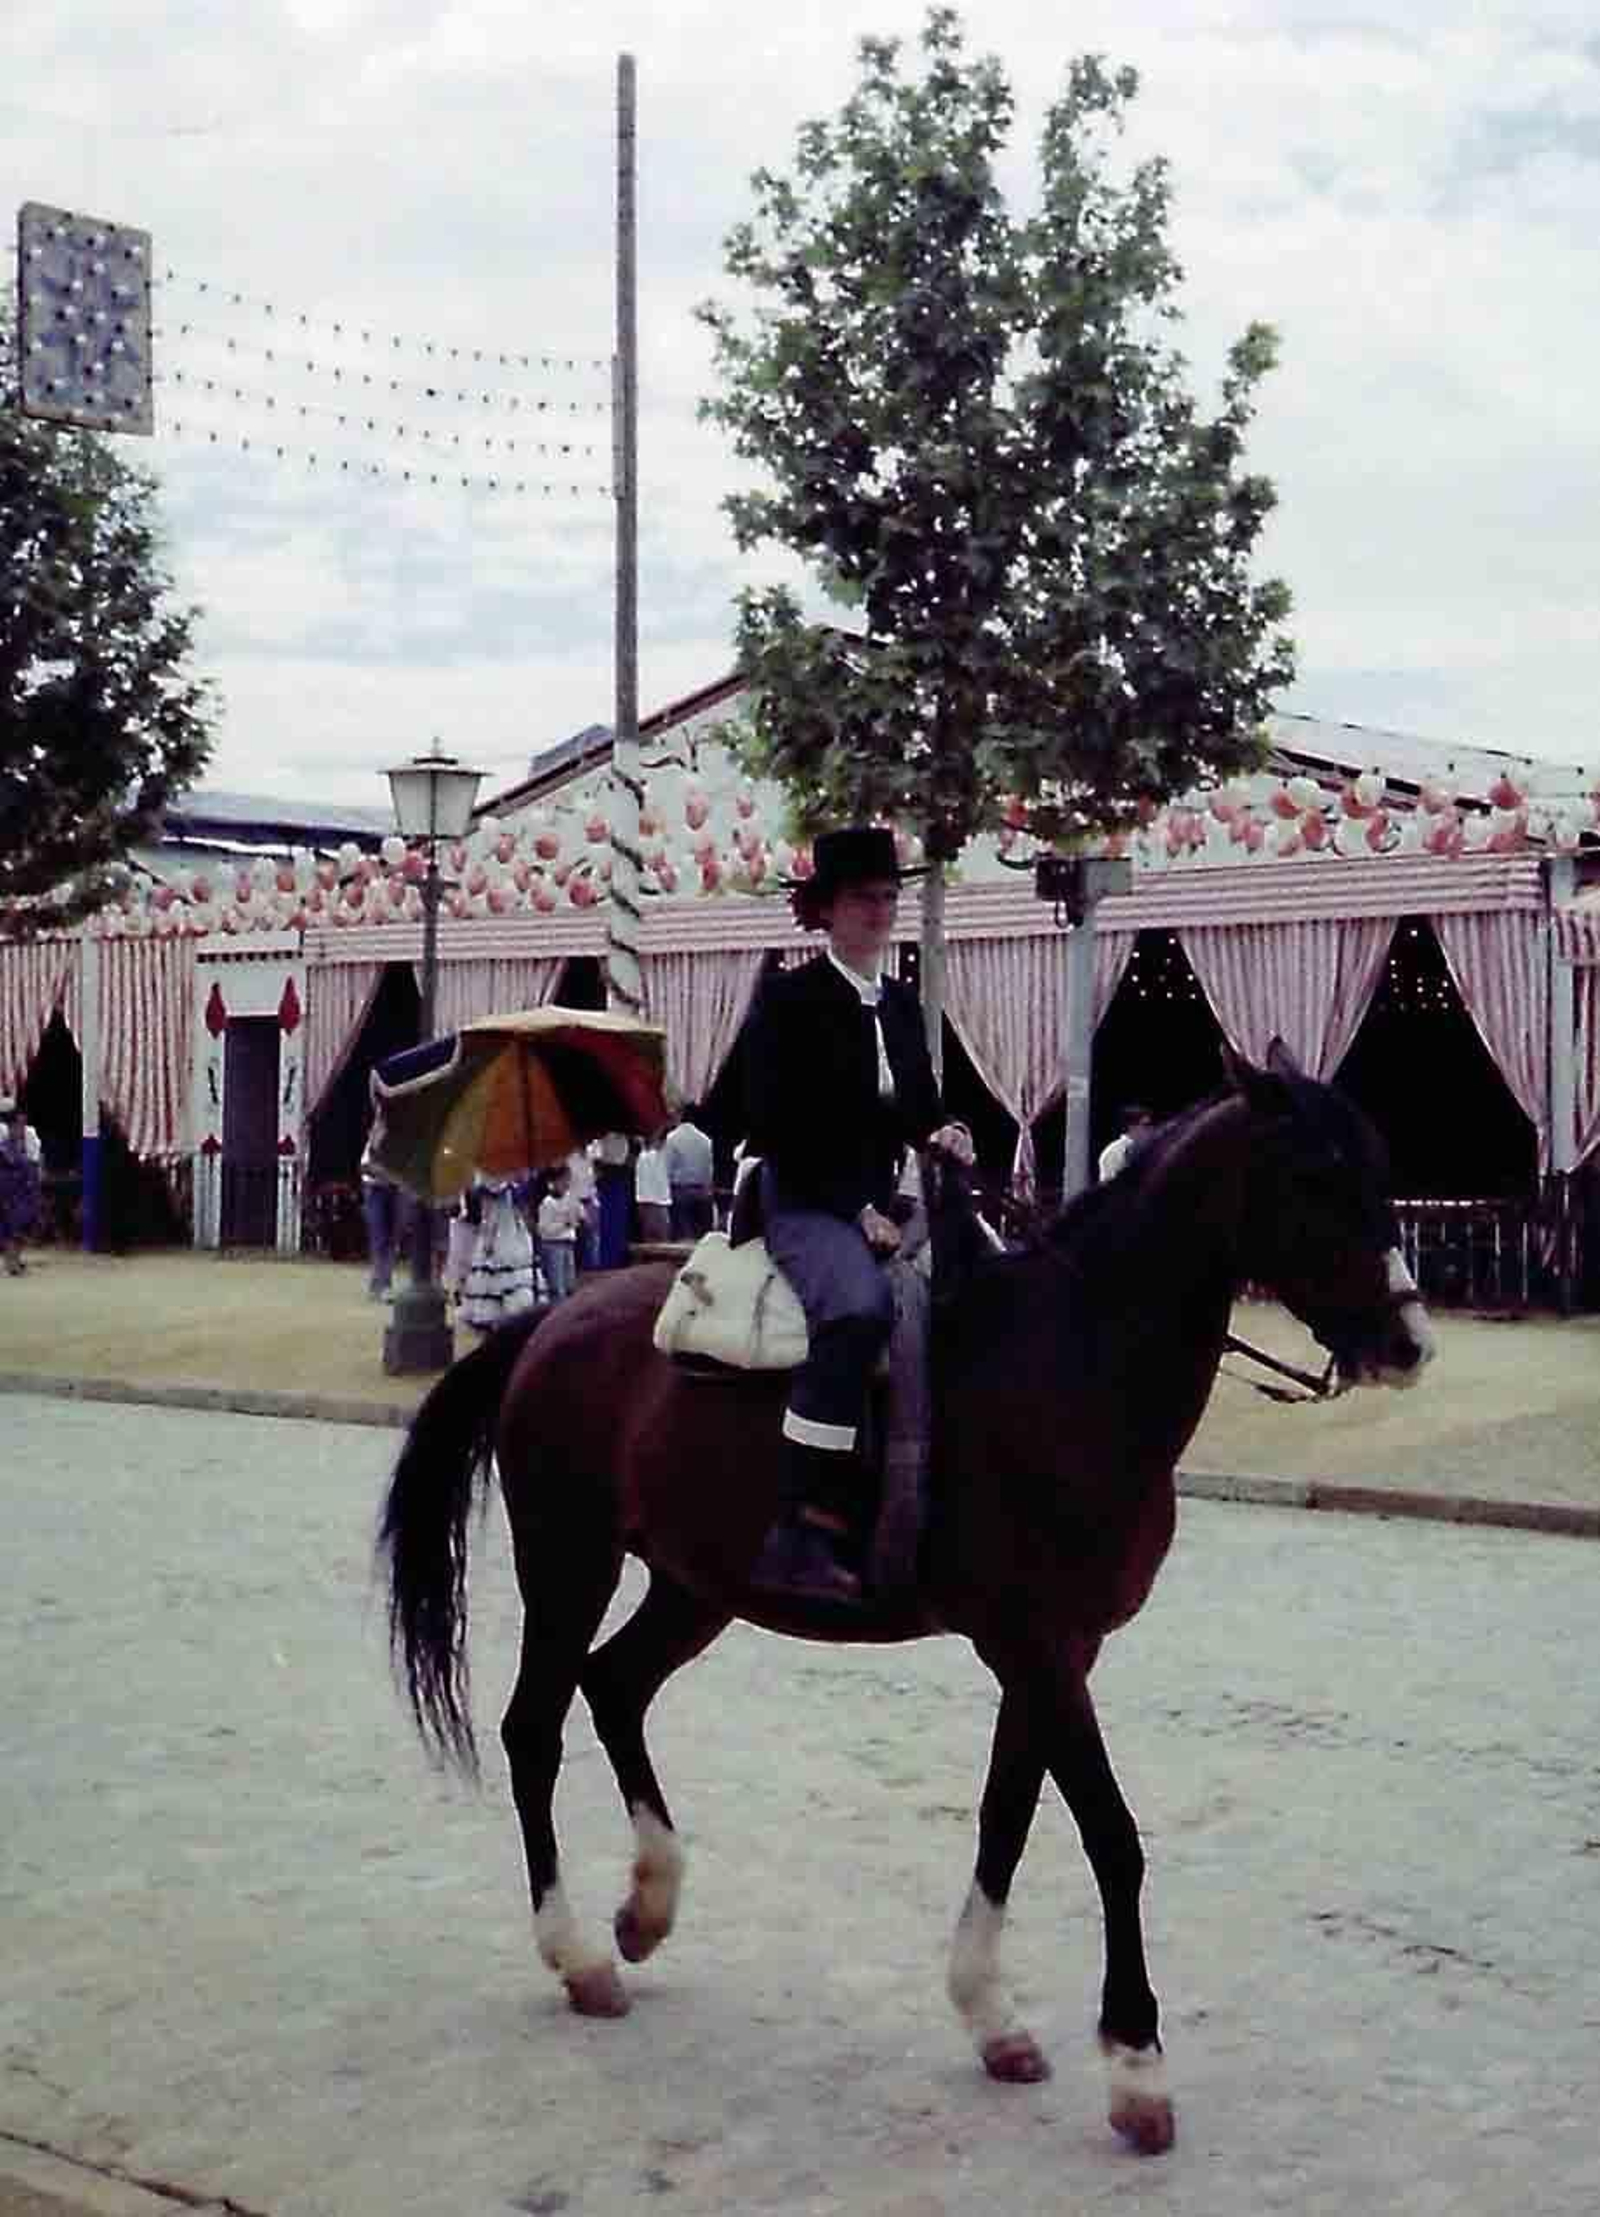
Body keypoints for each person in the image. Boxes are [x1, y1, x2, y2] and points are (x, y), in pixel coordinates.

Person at [741, 826, 974, 1604]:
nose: (880, 911)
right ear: (826, 909)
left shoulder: (902, 1005)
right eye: (863, 899)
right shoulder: (789, 998)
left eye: (888, 897)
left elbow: (920, 1106)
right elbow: (774, 1123)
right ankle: (798, 1524)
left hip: (889, 1203)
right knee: (857, 1307)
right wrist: (854, 1209)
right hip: (805, 1202)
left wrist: (948, 1130)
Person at [461, 1174, 538, 1329]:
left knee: (514, 1265)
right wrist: (488, 1234)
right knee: (495, 1266)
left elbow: (520, 1206)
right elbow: (487, 1208)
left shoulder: (515, 1176)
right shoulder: (489, 1179)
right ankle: (497, 1313)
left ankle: (518, 1310)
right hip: (498, 1227)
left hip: (514, 1227)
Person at [0, 1099, 44, 1277]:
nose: (17, 1125)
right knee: (8, 1225)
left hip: (24, 1183)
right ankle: (12, 1262)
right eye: (13, 1122)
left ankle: (15, 1259)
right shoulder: (1, 1132)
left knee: (24, 1223)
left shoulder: (30, 1134)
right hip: (4, 1182)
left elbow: (35, 1162)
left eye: (20, 1121)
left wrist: (34, 1186)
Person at [663, 1102, 716, 1241]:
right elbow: (709, 1169)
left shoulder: (672, 1138)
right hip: (702, 1192)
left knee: (682, 1236)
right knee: (701, 1238)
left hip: (679, 1192)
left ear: (681, 1116)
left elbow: (666, 1168)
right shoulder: (706, 1140)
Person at [537, 1165, 582, 1301]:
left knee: (570, 1283)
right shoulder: (547, 1203)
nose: (566, 1184)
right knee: (557, 1285)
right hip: (553, 1245)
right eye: (563, 1181)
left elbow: (579, 1214)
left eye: (568, 1180)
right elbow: (544, 1230)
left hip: (568, 1244)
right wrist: (564, 1224)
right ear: (554, 1182)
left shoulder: (570, 1198)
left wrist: (578, 1216)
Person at [589, 1130, 633, 1269]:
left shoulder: (623, 1134)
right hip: (608, 1172)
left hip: (620, 1173)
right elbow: (596, 1153)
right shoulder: (604, 1135)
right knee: (608, 1220)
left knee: (619, 1219)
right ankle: (607, 1260)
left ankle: (618, 1257)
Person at [1098, 1103, 1156, 1184]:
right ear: (1131, 1127)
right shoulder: (1112, 1152)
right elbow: (1108, 1187)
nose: (1151, 1129)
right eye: (1146, 1125)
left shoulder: (1153, 1148)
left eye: (1152, 1125)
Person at [633, 1135, 673, 1245]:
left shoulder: (641, 1157)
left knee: (649, 1239)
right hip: (658, 1203)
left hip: (644, 1203)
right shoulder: (658, 1156)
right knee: (662, 1241)